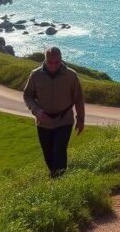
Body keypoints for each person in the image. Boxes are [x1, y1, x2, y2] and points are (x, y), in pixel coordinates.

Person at [23, 46, 85, 178]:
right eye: (50, 62)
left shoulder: (71, 75)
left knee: (59, 151)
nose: (53, 65)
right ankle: (54, 175)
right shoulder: (35, 75)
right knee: (48, 153)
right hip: (43, 122)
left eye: (56, 62)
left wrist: (80, 119)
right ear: (45, 60)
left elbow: (78, 98)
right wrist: (36, 110)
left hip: (64, 120)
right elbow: (27, 95)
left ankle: (60, 180)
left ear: (61, 59)